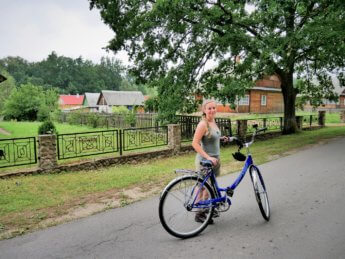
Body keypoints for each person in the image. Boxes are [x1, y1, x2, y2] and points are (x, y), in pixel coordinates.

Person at [192, 99, 228, 223]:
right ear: (204, 110)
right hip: (205, 161)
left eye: (214, 108)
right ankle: (199, 213)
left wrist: (221, 138)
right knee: (202, 187)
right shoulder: (203, 124)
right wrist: (208, 157)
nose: (212, 110)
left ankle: (206, 210)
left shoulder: (213, 121)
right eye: (209, 108)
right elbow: (195, 144)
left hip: (215, 161)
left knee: (209, 187)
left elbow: (212, 136)